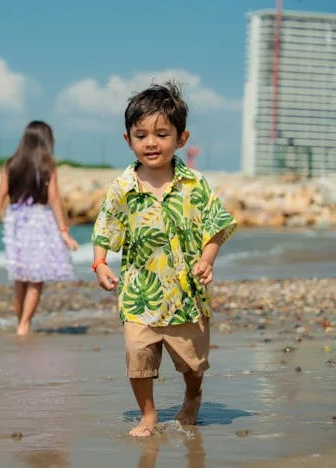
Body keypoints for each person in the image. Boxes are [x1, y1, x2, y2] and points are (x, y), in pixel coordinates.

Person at [91, 82, 236, 437]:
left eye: (161, 134)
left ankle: (192, 396)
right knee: (137, 356)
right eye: (141, 135)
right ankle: (148, 414)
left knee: (192, 363)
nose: (151, 143)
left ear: (181, 138)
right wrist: (100, 263)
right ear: (128, 140)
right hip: (140, 292)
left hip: (186, 295)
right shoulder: (123, 186)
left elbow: (217, 225)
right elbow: (105, 227)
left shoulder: (194, 184)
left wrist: (208, 259)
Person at [0, 121, 79, 336]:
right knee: (36, 277)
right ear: (46, 140)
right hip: (39, 222)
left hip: (15, 223)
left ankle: (21, 323)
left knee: (20, 276)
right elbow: (54, 199)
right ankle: (24, 325)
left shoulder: (11, 164)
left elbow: (0, 197)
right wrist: (64, 232)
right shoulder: (47, 165)